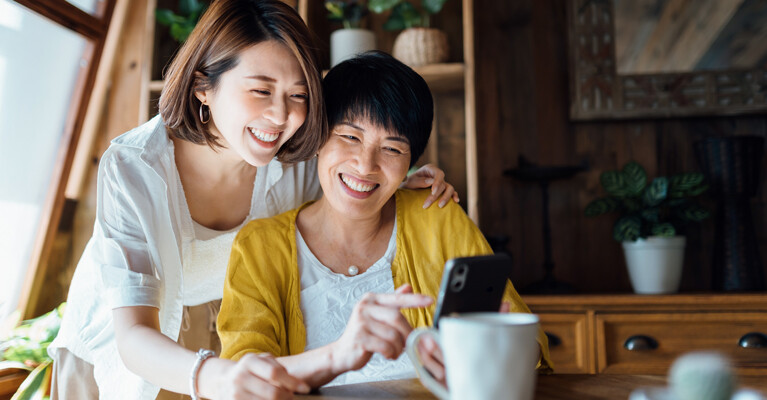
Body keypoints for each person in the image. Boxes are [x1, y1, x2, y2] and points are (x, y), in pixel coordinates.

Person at [47, 2, 456, 399]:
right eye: (261, 90)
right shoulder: (134, 167)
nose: (281, 116)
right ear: (202, 86)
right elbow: (134, 336)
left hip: (228, 338)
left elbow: (348, 184)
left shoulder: (294, 162)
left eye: (298, 95)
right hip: (126, 345)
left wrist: (402, 184)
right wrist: (217, 377)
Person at [217, 51, 553, 390]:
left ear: (411, 160)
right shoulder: (259, 247)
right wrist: (338, 354)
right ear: (318, 137)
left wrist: (494, 348)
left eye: (392, 149)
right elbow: (242, 378)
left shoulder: (436, 218)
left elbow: (530, 341)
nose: (365, 166)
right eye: (350, 137)